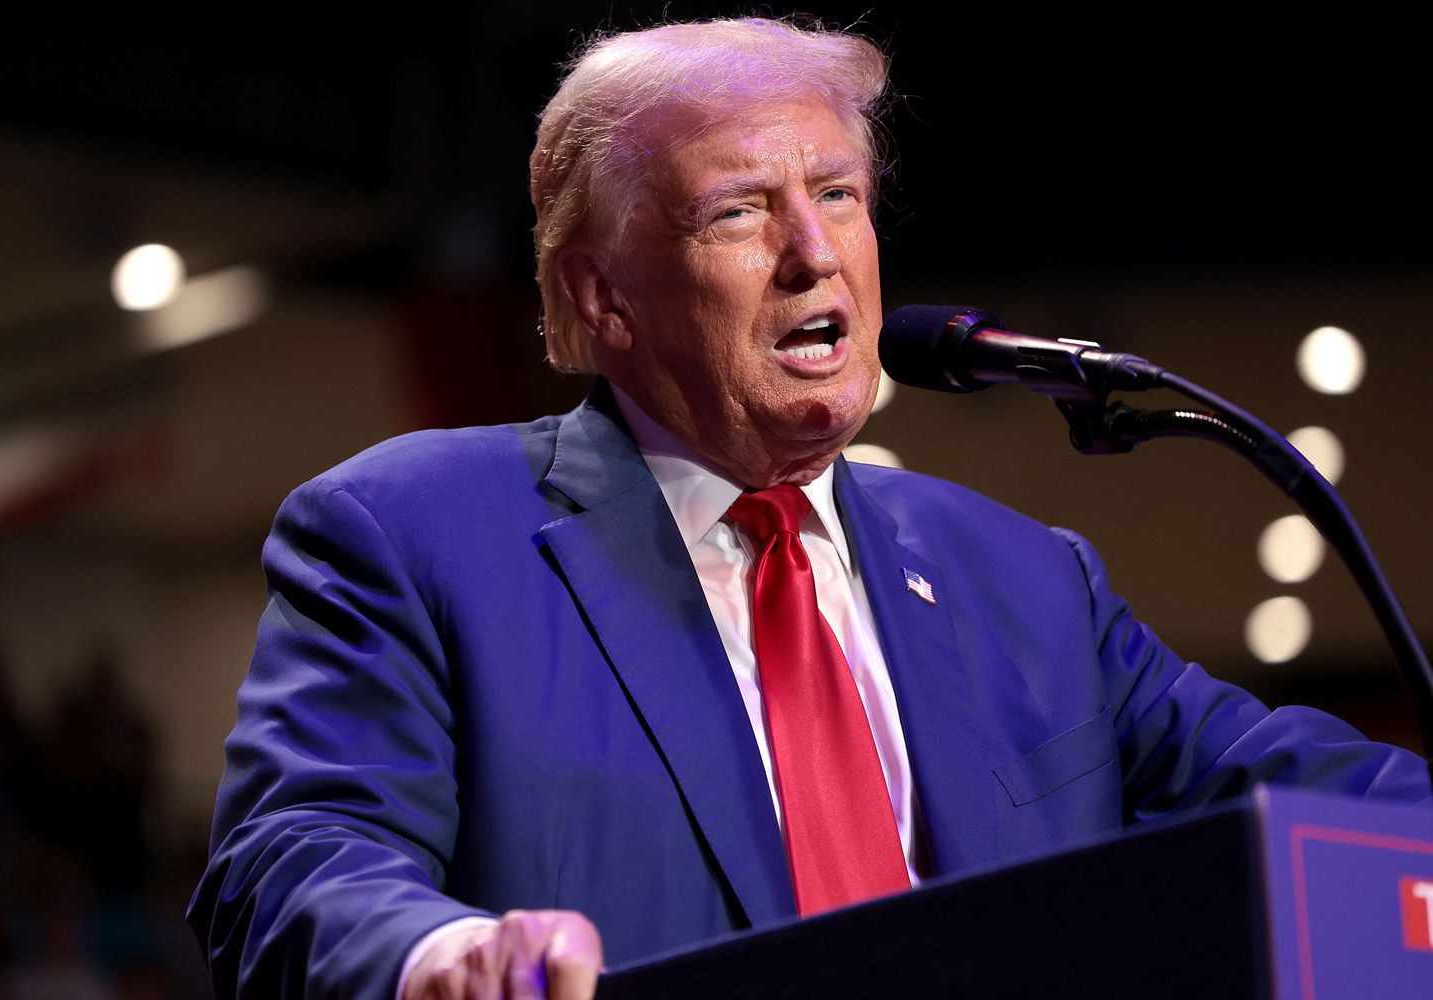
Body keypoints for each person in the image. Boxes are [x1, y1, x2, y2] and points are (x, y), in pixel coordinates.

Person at [187, 17, 1431, 1000]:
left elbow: (1311, 793)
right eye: (740, 209)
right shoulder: (415, 535)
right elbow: (292, 858)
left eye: (837, 194)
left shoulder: (1025, 578)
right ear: (606, 297)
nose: (814, 252)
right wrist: (432, 953)